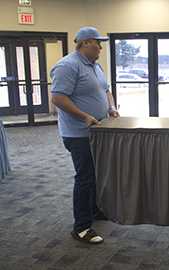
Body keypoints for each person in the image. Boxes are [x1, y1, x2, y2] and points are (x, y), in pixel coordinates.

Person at [50, 27, 120, 244]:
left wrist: (111, 107)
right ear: (86, 42)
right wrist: (85, 117)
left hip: (97, 132)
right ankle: (81, 227)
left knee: (95, 175)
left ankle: (94, 211)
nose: (101, 47)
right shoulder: (68, 65)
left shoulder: (95, 65)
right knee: (85, 177)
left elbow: (106, 89)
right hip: (78, 134)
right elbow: (58, 98)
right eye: (98, 43)